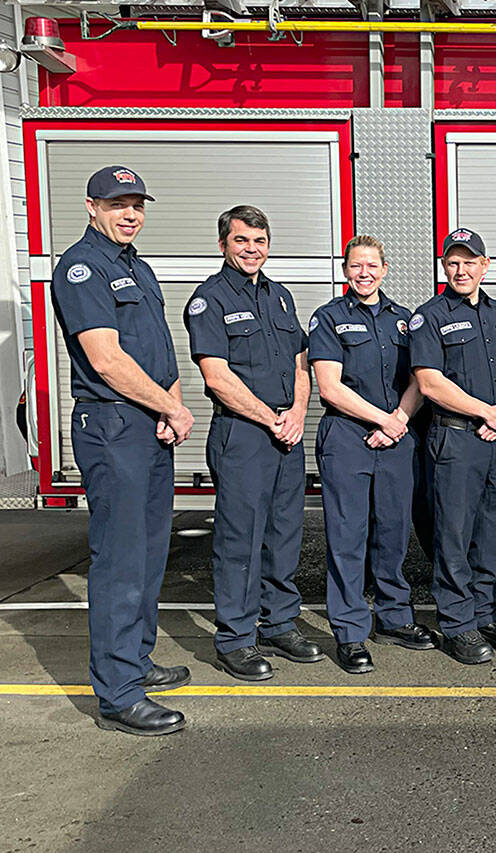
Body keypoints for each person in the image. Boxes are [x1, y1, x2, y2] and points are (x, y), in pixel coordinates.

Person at [51, 166, 193, 736]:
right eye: (117, 204)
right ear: (91, 206)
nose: (130, 214)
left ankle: (135, 660)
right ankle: (118, 694)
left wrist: (171, 406)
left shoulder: (137, 266)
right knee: (119, 560)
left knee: (150, 552)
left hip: (147, 421)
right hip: (112, 424)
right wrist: (170, 408)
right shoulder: (82, 268)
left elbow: (159, 349)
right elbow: (106, 360)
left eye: (137, 204)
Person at [184, 205, 322, 680]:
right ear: (223, 243)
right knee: (240, 539)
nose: (251, 249)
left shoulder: (280, 297)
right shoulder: (209, 299)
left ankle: (279, 623)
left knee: (284, 533)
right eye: (241, 240)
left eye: (259, 241)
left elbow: (301, 362)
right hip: (242, 434)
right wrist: (271, 419)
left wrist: (298, 412)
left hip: (285, 431)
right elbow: (217, 377)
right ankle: (236, 638)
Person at [308, 235, 435, 676]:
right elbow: (330, 387)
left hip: (396, 438)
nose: (364, 273)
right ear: (345, 270)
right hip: (347, 438)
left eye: (372, 266)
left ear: (384, 269)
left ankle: (394, 618)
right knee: (348, 537)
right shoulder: (329, 318)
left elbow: (420, 379)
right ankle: (349, 632)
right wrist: (384, 420)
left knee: (394, 533)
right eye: (356, 266)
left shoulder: (404, 320)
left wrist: (398, 420)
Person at [412, 228, 496, 665]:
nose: (461, 270)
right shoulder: (430, 316)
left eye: (469, 261)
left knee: (493, 532)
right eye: (453, 262)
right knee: (454, 534)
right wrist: (485, 413)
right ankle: (457, 623)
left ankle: (485, 612)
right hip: (457, 437)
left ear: (485, 265)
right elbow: (429, 382)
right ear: (444, 266)